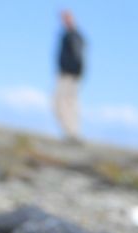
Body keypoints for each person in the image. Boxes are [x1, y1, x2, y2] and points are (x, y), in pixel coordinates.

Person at [54, 11, 86, 141]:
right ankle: (71, 132)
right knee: (66, 102)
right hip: (68, 74)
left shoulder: (73, 36)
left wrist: (75, 73)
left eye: (66, 18)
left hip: (69, 75)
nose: (64, 21)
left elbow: (78, 56)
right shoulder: (69, 35)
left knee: (64, 102)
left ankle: (72, 133)